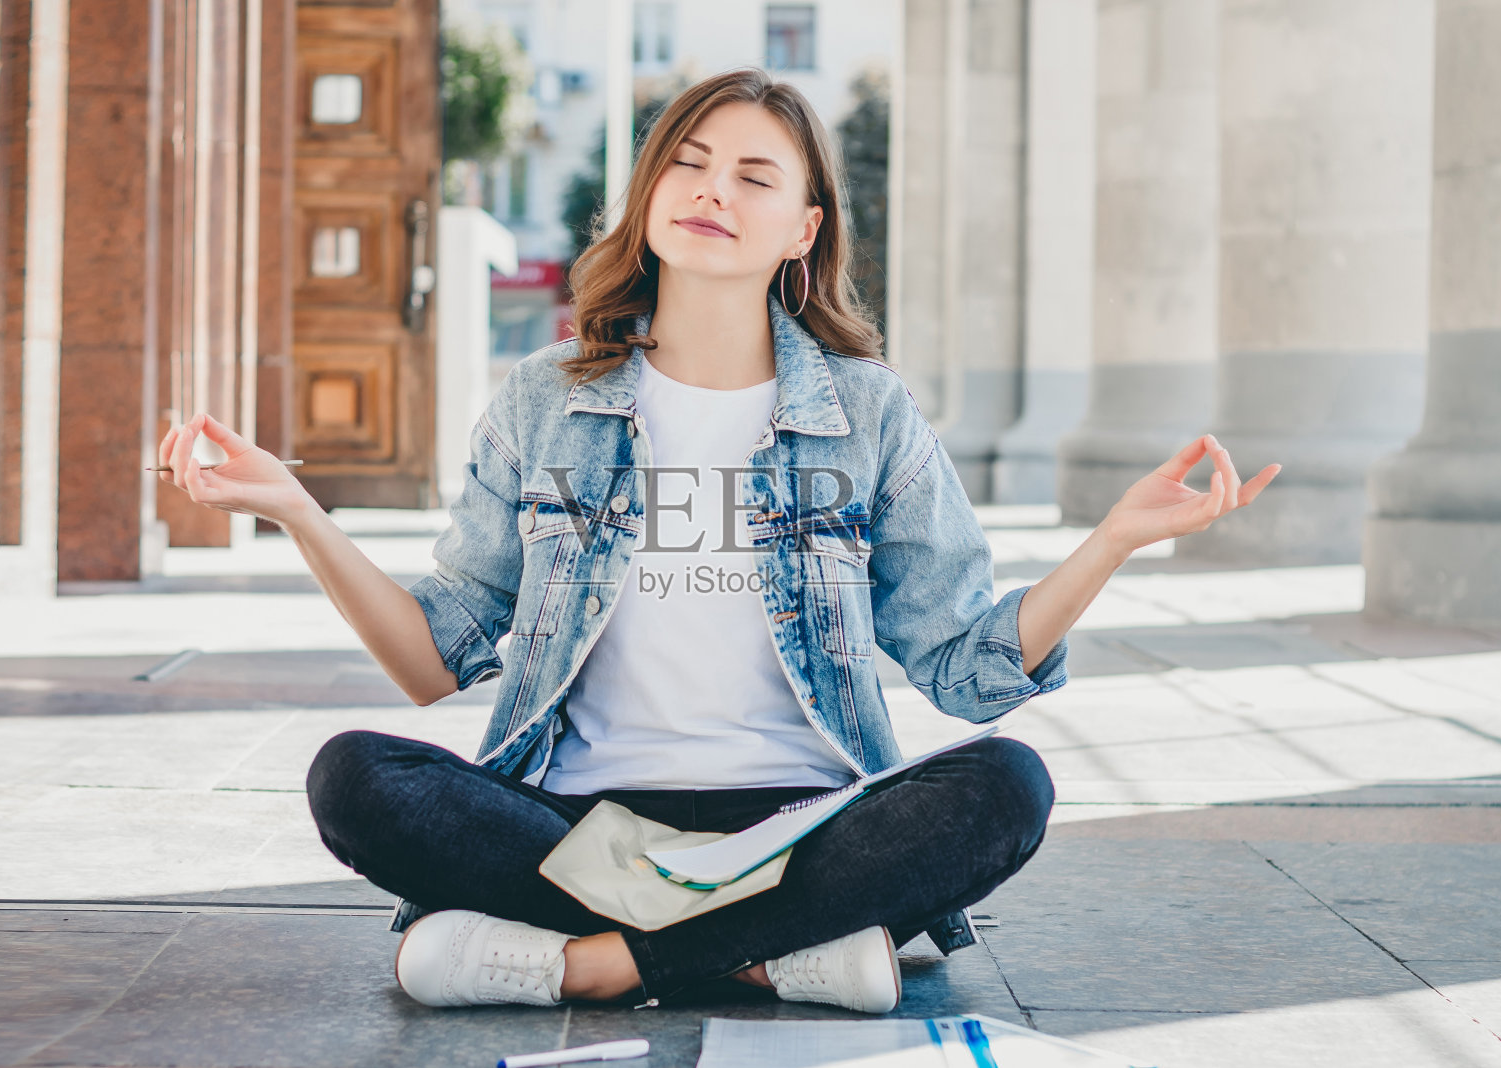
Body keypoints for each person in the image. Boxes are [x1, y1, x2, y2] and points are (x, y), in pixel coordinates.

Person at [157, 66, 1280, 1014]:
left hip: (798, 820)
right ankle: (774, 952)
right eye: (689, 163)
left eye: (753, 176)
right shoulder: (546, 398)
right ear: (648, 196)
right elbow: (428, 661)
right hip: (577, 820)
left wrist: (1113, 543)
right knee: (356, 777)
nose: (711, 191)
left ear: (802, 230)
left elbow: (965, 673)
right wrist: (299, 512)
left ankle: (594, 966)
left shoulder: (866, 411)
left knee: (1007, 787)